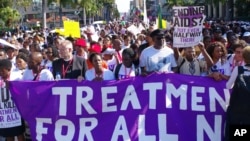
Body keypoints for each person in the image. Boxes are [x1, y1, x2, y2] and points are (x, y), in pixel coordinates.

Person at [225, 46, 250, 141]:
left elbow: (228, 86)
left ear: (243, 57)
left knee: (235, 134)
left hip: (237, 107)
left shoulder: (238, 69)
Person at [0, 59, 25, 141]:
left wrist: (12, 87)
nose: (1, 73)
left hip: (16, 111)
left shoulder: (17, 77)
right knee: (8, 135)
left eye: (3, 71)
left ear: (9, 69)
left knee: (19, 134)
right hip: (4, 113)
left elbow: (22, 92)